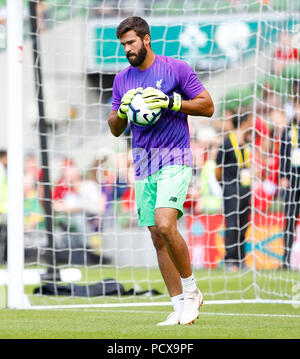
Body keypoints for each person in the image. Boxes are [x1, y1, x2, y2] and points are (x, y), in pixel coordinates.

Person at [108, 16, 214, 326]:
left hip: (175, 156)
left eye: (131, 42)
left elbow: (207, 106)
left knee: (166, 225)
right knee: (156, 237)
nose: (127, 49)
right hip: (143, 161)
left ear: (146, 39)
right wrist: (123, 111)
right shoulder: (122, 80)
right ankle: (178, 304)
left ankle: (192, 291)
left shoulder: (176, 68)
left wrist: (170, 101)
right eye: (123, 45)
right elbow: (115, 129)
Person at [215, 112, 253, 272]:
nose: (251, 124)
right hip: (231, 189)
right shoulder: (226, 143)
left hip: (245, 189)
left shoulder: (245, 143)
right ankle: (230, 259)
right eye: (250, 121)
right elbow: (217, 169)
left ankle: (240, 258)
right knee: (232, 224)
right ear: (244, 123)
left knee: (243, 225)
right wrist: (225, 185)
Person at [279, 80, 300, 268]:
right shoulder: (288, 130)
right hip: (293, 180)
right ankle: (285, 259)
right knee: (290, 219)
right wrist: (282, 176)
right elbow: (282, 154)